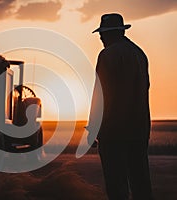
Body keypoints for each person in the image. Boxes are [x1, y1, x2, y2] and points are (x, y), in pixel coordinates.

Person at [87, 13, 153, 200]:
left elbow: (100, 95)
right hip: (139, 128)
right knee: (141, 181)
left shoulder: (108, 54)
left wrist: (93, 129)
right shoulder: (139, 53)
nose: (100, 37)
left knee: (116, 184)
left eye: (102, 33)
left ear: (111, 33)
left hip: (114, 130)